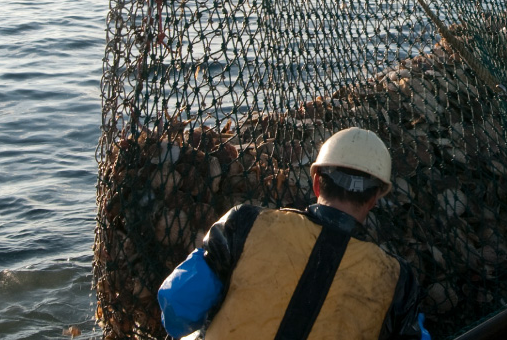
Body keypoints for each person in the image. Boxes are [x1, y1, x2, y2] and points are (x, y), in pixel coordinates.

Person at [157, 127, 427, 340]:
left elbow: (177, 305)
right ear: (374, 200)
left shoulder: (246, 223)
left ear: (317, 184)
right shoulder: (397, 279)